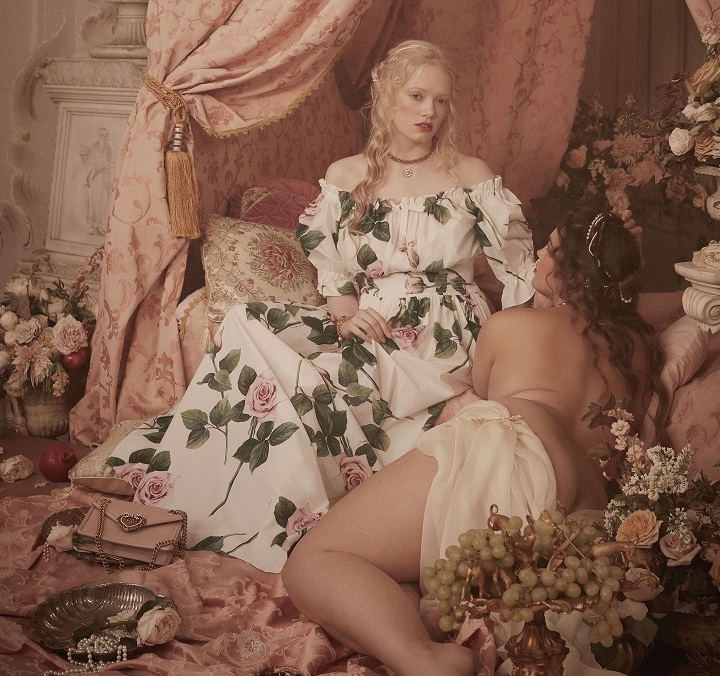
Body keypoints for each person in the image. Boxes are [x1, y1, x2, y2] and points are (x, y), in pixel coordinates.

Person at [108, 39, 539, 572]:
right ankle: (209, 500)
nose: (429, 111)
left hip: (445, 332)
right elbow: (333, 271)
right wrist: (346, 314)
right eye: (417, 95)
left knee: (328, 391)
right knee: (247, 322)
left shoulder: (470, 175)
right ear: (386, 95)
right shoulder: (346, 177)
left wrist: (514, 353)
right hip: (371, 327)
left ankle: (309, 511)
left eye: (441, 100)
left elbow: (520, 270)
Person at [282, 209, 667, 676]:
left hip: (513, 450)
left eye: (549, 249)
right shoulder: (636, 348)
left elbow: (482, 391)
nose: (538, 254)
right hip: (586, 500)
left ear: (570, 274)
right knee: (397, 575)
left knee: (312, 561)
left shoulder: (511, 325)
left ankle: (422, 661)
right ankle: (420, 638)